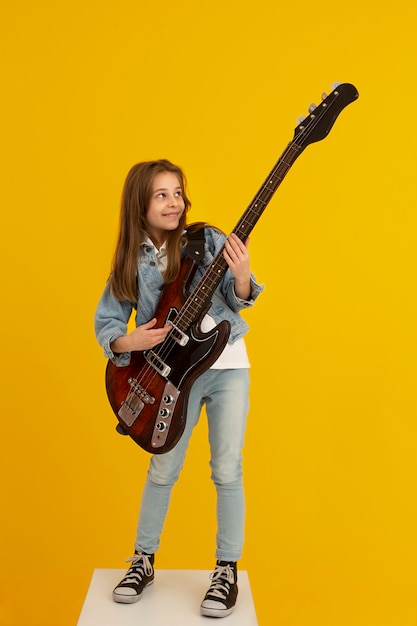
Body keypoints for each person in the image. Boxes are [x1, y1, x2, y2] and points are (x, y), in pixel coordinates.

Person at [94, 159, 263, 618]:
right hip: (173, 376)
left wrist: (243, 274)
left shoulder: (206, 240)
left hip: (228, 368)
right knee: (163, 469)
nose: (174, 203)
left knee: (227, 469)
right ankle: (143, 560)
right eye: (161, 195)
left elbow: (237, 295)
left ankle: (225, 568)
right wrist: (132, 340)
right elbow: (108, 322)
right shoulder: (132, 260)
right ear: (140, 207)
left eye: (178, 193)